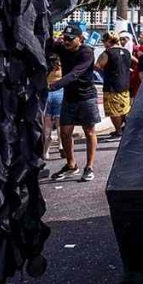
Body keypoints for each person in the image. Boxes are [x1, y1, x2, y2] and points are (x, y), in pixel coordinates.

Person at [48, 24, 101, 182]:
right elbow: (46, 41)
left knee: (89, 131)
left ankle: (89, 167)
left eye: (70, 39)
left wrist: (53, 86)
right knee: (64, 132)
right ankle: (71, 165)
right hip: (69, 97)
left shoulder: (86, 52)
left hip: (87, 97)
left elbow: (74, 74)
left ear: (80, 39)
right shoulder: (62, 48)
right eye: (64, 38)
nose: (66, 41)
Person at [96, 32, 132, 138]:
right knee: (124, 108)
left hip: (112, 85)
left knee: (113, 110)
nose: (103, 44)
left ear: (108, 41)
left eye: (104, 41)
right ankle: (125, 127)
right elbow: (133, 61)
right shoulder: (126, 52)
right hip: (125, 84)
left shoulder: (107, 53)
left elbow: (98, 66)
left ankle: (118, 130)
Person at [44, 53, 64, 161]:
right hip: (60, 92)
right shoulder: (62, 68)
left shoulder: (46, 68)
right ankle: (60, 144)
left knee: (47, 125)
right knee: (59, 122)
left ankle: (46, 151)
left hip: (48, 93)